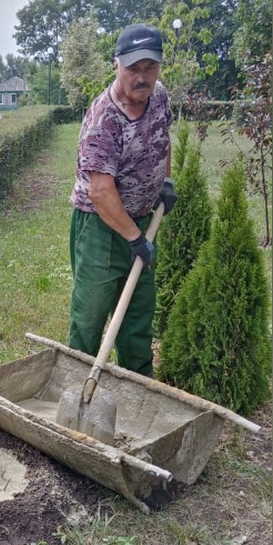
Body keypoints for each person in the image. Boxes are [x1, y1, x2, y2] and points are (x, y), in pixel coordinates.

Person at [68, 22, 177, 378]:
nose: (142, 77)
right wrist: (134, 239)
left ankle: (139, 385)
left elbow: (162, 138)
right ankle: (75, 383)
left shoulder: (159, 96)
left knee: (137, 313)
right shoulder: (104, 120)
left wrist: (166, 180)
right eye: (133, 68)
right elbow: (100, 192)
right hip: (99, 227)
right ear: (116, 65)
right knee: (91, 314)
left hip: (141, 220)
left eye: (150, 67)